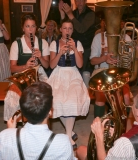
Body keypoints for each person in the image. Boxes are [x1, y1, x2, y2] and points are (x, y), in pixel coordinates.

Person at [77, 88, 138, 160]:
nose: (131, 105)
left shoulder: (124, 143)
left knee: (81, 150)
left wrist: (99, 136)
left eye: (133, 103)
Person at [0, 82, 76, 159]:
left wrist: (10, 132)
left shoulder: (4, 136)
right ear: (50, 112)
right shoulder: (63, 142)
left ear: (23, 114)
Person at [47, 19, 90, 149]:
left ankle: (67, 135)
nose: (67, 31)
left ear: (72, 30)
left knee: (72, 100)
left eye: (70, 28)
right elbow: (51, 65)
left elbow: (80, 64)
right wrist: (60, 52)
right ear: (60, 29)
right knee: (57, 100)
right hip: (58, 74)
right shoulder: (54, 43)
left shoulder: (78, 43)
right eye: (65, 28)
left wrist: (75, 49)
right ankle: (69, 132)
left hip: (73, 74)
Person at [4, 13, 49, 121]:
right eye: (27, 26)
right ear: (23, 28)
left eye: (33, 26)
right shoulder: (16, 44)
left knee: (44, 96)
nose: (30, 30)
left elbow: (47, 65)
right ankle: (14, 124)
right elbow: (12, 68)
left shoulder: (43, 43)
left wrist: (41, 57)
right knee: (12, 99)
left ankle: (38, 123)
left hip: (39, 73)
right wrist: (25, 66)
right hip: (21, 74)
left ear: (36, 28)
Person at [90, 29, 138, 118]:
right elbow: (92, 61)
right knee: (101, 97)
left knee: (126, 99)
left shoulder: (126, 37)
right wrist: (104, 58)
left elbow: (135, 59)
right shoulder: (99, 37)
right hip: (101, 70)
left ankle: (121, 126)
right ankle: (98, 124)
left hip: (120, 70)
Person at [59, 0, 96, 73]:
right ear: (75, 2)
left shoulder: (90, 14)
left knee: (80, 70)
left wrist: (69, 14)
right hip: (72, 45)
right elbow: (65, 25)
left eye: (81, 0)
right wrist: (62, 13)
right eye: (77, 0)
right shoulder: (74, 13)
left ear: (85, 1)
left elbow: (81, 29)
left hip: (85, 48)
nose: (79, 2)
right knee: (70, 68)